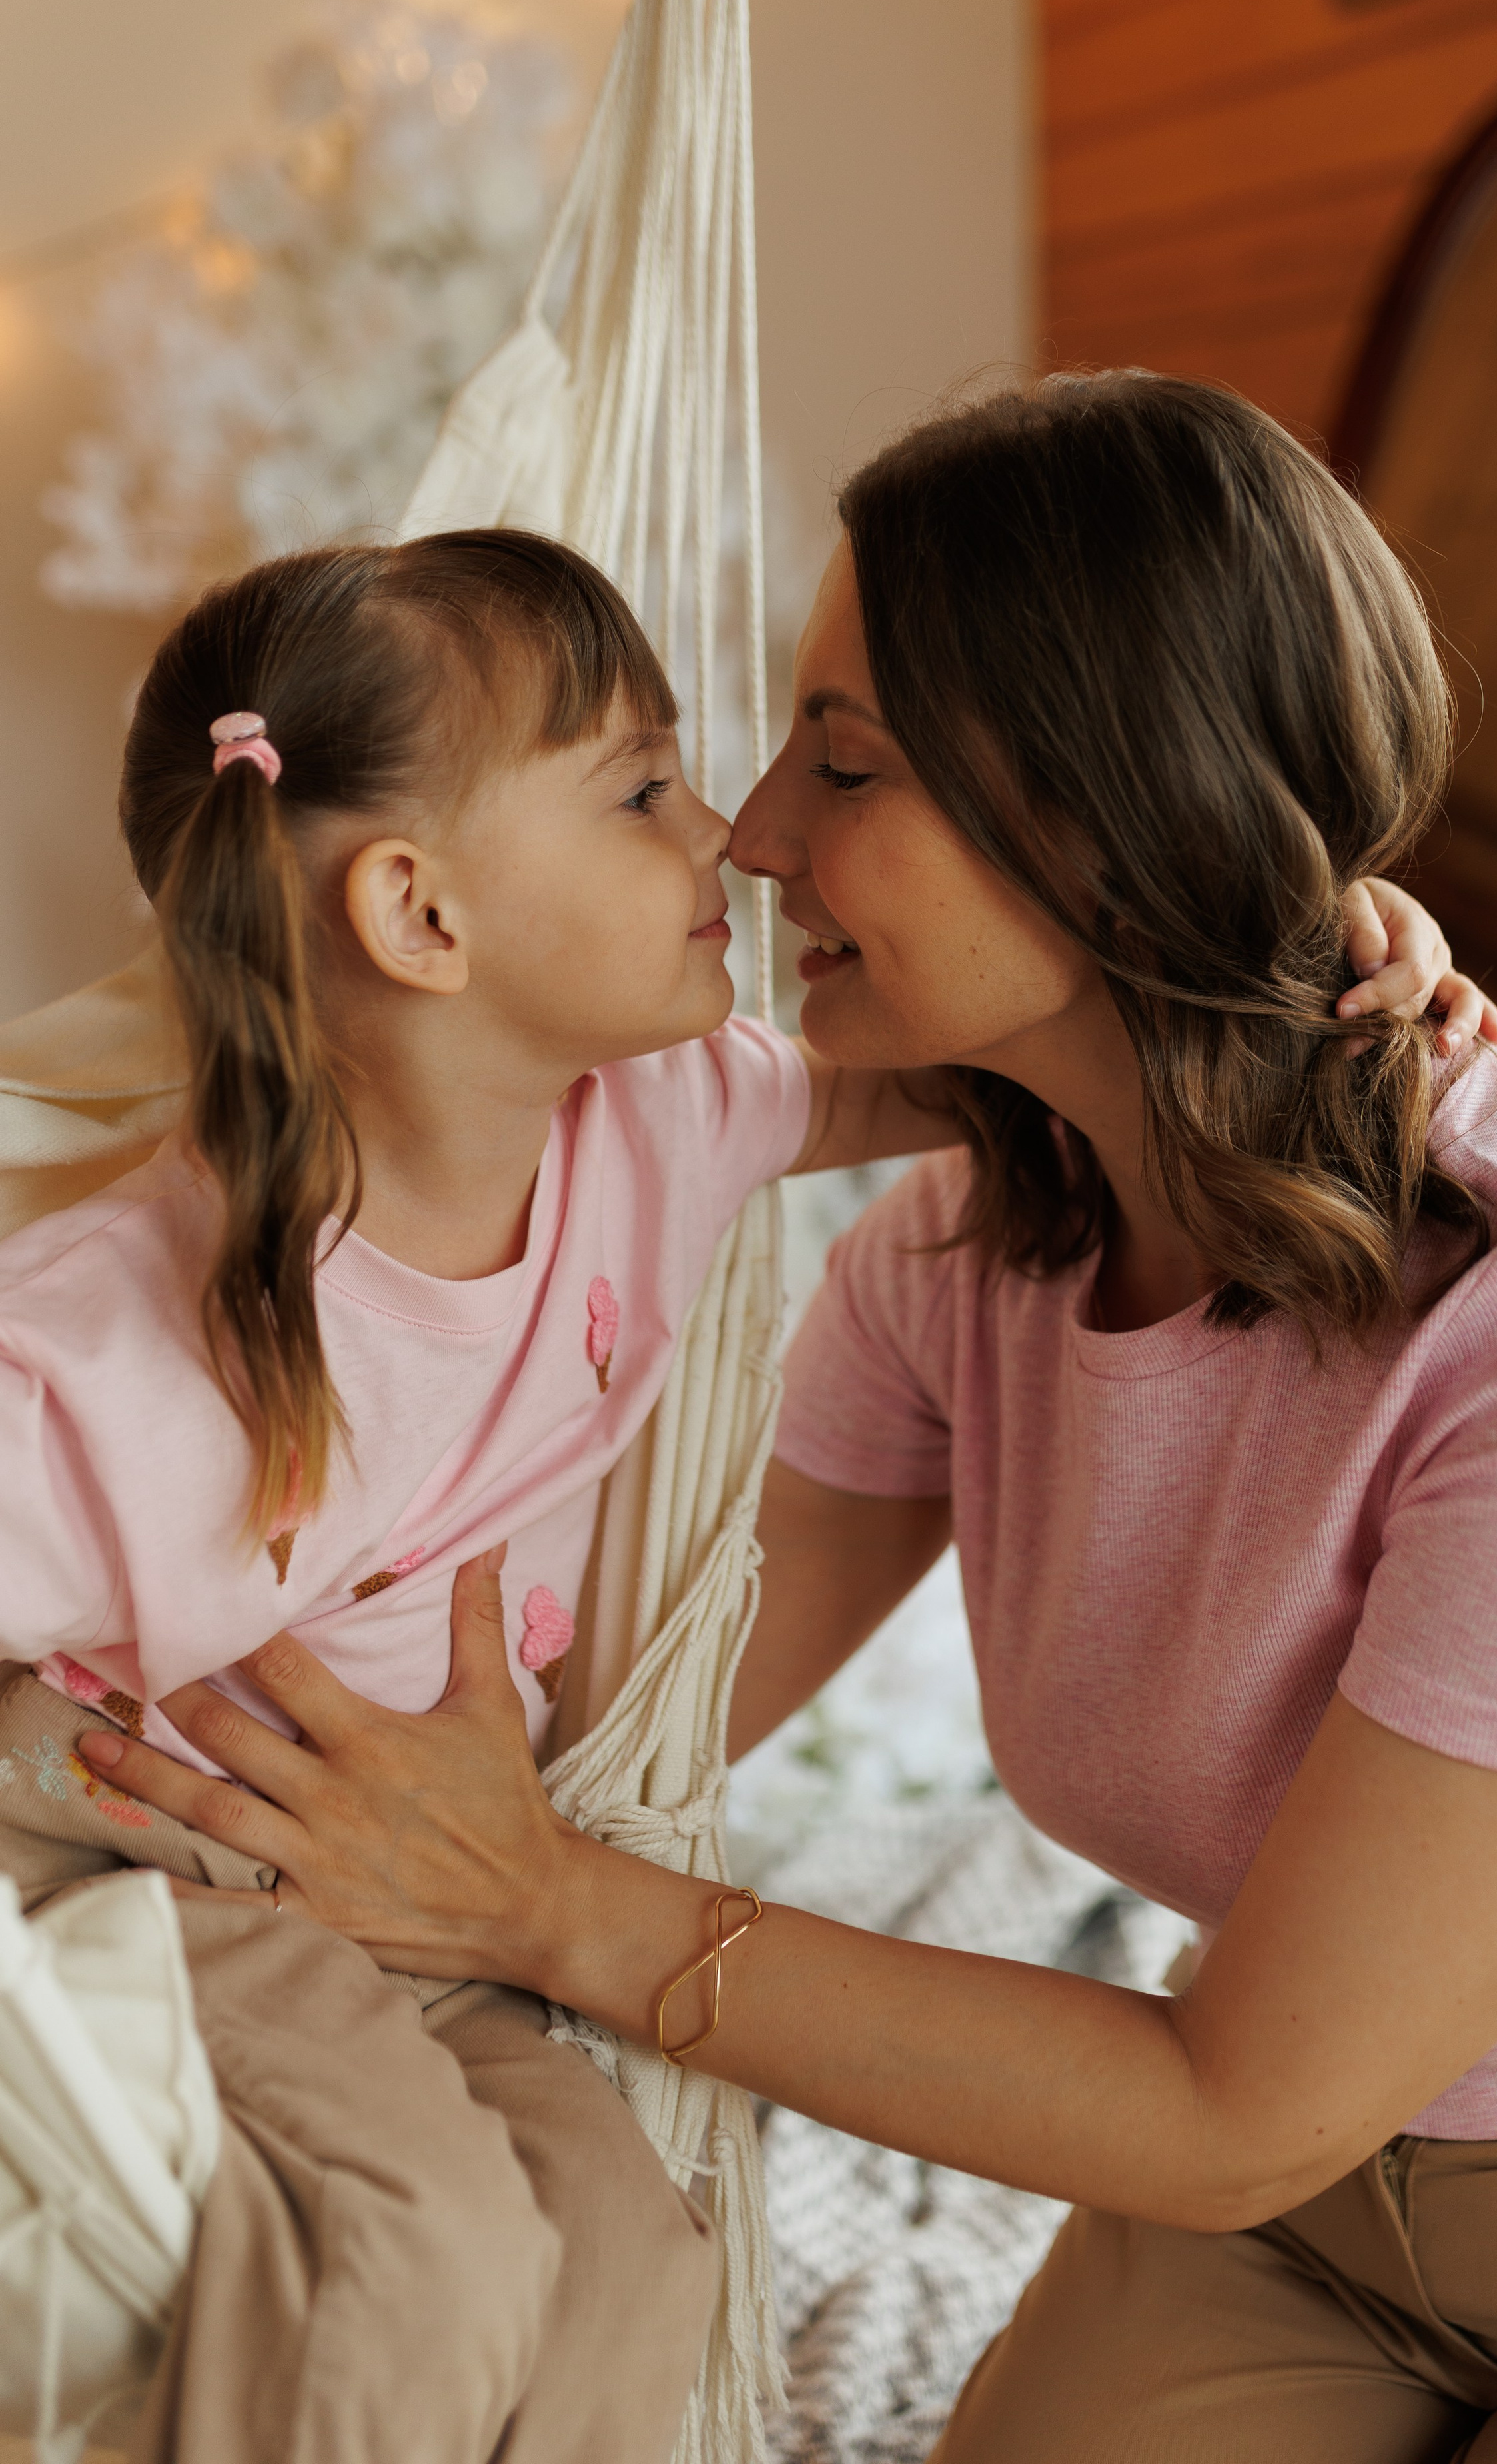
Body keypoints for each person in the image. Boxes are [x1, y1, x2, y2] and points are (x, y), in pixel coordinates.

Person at [93, 376, 1497, 2464]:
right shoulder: (968, 1251)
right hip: (1304, 2228)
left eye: (842, 762)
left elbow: (1227, 2106)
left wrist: (555, 1915)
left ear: (1123, 829)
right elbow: (615, 1718)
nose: (755, 832)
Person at [0, 527, 973, 2464]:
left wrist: (1324, 973)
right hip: (157, 1869)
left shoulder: (667, 1119)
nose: (726, 835)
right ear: (419, 915)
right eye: (639, 788)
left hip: (424, 1896)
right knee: (423, 2258)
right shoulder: (134, 1350)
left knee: (638, 2260)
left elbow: (960, 1065)